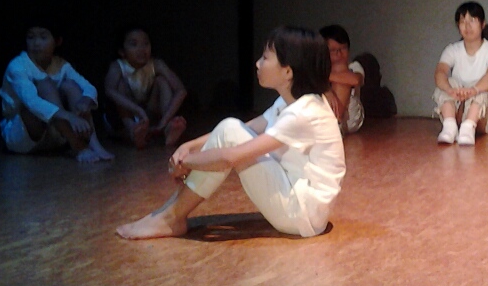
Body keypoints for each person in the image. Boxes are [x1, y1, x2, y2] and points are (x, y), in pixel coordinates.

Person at [117, 26, 345, 240]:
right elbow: (247, 128)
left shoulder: (304, 112)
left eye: (265, 58)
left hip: (301, 216)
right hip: (302, 209)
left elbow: (232, 156)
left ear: (287, 71)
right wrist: (190, 146)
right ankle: (168, 213)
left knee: (230, 129)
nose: (258, 63)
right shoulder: (293, 103)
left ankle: (171, 217)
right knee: (230, 127)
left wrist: (186, 162)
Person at [0, 20, 114, 163]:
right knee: (45, 85)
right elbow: (32, 102)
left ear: (57, 41)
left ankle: (94, 144)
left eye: (43, 37)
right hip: (25, 135)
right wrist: (70, 117)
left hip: (56, 135)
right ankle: (78, 146)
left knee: (70, 86)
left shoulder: (61, 64)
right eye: (31, 37)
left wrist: (85, 101)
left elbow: (89, 87)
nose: (36, 43)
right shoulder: (18, 66)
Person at [104, 26, 188, 149]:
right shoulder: (117, 66)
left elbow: (181, 90)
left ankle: (166, 128)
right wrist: (137, 110)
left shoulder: (156, 64)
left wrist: (163, 122)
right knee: (120, 85)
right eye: (134, 44)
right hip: (124, 118)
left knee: (161, 81)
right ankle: (133, 132)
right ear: (122, 51)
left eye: (145, 44)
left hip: (148, 115)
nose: (141, 49)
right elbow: (109, 90)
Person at [433, 1, 488, 145]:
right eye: (462, 21)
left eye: (472, 20)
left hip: (486, 117)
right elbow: (440, 72)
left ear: (482, 24)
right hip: (459, 109)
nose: (467, 26)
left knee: (484, 89)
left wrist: (473, 90)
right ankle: (450, 127)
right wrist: (450, 90)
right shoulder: (452, 49)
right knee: (448, 83)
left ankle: (467, 128)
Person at [319, 24, 365, 135]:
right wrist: (327, 90)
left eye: (343, 48)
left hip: (349, 118)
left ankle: (336, 124)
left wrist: (321, 77)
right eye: (333, 50)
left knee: (342, 74)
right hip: (323, 116)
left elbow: (356, 80)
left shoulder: (353, 66)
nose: (339, 54)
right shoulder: (318, 68)